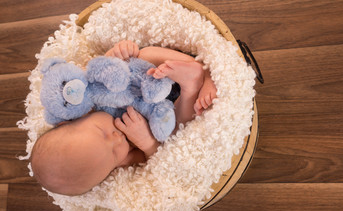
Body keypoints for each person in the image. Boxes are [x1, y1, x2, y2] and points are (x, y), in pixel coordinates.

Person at [30, 40, 217, 196]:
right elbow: (154, 157)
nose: (116, 139)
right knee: (176, 135)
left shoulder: (85, 106)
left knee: (145, 54)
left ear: (71, 122)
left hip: (150, 78)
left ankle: (205, 69)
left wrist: (118, 53)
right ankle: (192, 85)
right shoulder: (122, 159)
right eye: (113, 154)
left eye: (102, 133)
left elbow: (104, 71)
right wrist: (146, 142)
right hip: (166, 113)